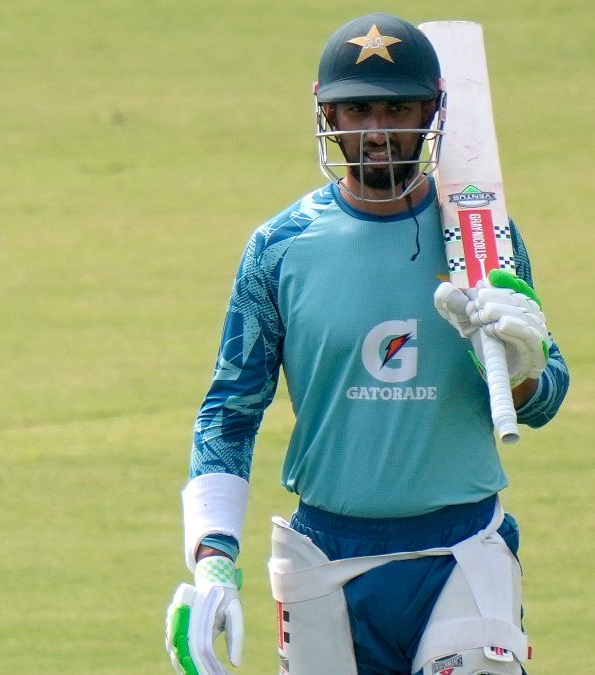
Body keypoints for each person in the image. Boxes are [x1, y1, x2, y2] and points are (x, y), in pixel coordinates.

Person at [165, 13, 568, 675]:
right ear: (327, 114)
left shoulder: (480, 234)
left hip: (461, 550)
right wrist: (213, 559)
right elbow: (228, 412)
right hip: (322, 558)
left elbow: (544, 398)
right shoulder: (280, 248)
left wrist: (523, 369)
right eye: (356, 111)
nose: (377, 131)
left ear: (433, 112)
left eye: (397, 108)